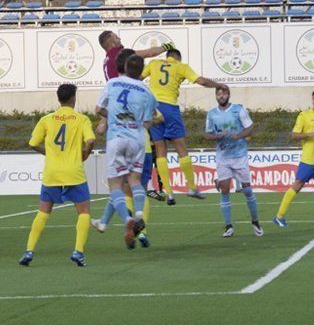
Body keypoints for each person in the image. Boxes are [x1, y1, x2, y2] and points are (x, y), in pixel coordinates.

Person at [19, 84, 96, 267]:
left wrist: (49, 153)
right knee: (83, 212)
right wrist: (85, 153)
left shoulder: (47, 119)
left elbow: (32, 143)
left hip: (52, 172)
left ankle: (29, 251)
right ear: (73, 99)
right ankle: (78, 251)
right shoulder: (81, 119)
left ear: (58, 98)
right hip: (74, 172)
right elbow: (91, 140)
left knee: (43, 211)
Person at [142, 48, 227, 205]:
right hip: (170, 108)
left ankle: (169, 193)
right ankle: (192, 187)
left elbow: (138, 78)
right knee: (182, 150)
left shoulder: (153, 63)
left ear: (167, 57)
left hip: (153, 109)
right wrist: (218, 84)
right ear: (178, 58)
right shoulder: (181, 67)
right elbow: (201, 81)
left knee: (160, 152)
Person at [92, 48, 157, 248]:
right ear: (141, 71)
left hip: (116, 138)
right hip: (137, 139)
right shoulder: (147, 92)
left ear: (126, 67)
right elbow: (148, 121)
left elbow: (98, 109)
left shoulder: (112, 83)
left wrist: (112, 117)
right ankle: (137, 214)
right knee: (136, 181)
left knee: (115, 186)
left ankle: (127, 220)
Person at [98, 30, 170, 201]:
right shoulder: (119, 54)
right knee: (155, 127)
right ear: (110, 42)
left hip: (118, 111)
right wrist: (167, 47)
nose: (120, 38)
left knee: (122, 178)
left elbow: (101, 105)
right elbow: (148, 53)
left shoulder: (107, 61)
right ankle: (149, 189)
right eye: (116, 37)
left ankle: (138, 198)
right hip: (131, 102)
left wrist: (105, 119)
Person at [205, 87, 262, 238]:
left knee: (247, 190)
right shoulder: (211, 114)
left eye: (223, 93)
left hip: (239, 155)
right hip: (223, 157)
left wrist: (239, 136)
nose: (221, 96)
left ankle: (255, 221)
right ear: (216, 96)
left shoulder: (238, 109)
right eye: (218, 94)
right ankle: (228, 226)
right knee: (224, 190)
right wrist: (218, 136)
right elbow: (207, 135)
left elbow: (250, 127)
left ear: (228, 95)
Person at [273, 89, 314, 230]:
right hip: (309, 160)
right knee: (297, 185)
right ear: (312, 100)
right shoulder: (304, 115)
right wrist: (311, 134)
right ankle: (279, 216)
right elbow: (294, 135)